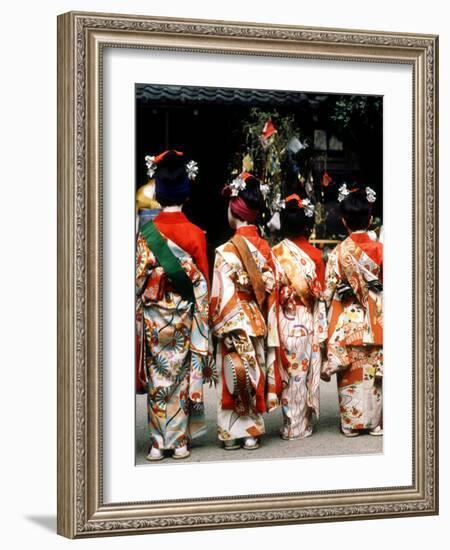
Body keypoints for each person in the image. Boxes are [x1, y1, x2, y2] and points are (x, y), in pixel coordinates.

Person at [135, 149, 214, 461]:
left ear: (159, 191)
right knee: (180, 376)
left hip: (155, 319)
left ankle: (157, 442)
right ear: (186, 192)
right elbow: (203, 282)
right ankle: (179, 441)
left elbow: (139, 281)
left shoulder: (146, 234)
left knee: (158, 377)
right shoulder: (195, 234)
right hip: (183, 317)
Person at [210, 172, 282, 451]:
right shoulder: (267, 249)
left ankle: (231, 435)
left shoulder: (226, 250)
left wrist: (222, 324)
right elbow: (273, 286)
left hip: (232, 319)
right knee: (253, 374)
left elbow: (219, 294)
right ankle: (252, 432)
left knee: (232, 375)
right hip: (256, 319)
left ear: (234, 210)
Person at [322, 184, 383, 437]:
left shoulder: (338, 253)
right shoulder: (381, 250)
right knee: (372, 372)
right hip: (376, 318)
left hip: (348, 321)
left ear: (344, 221)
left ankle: (351, 423)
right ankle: (375, 423)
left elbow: (327, 292)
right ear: (370, 219)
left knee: (351, 370)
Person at [272, 194, 328, 440]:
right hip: (305, 320)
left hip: (283, 319)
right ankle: (300, 423)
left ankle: (291, 423)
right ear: (307, 224)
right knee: (302, 372)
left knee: (288, 372)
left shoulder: (275, 253)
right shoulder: (315, 256)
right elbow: (322, 292)